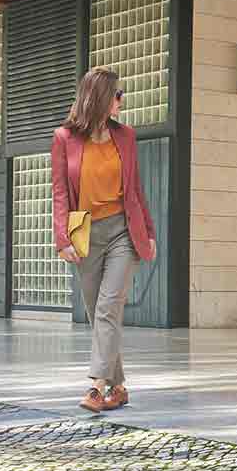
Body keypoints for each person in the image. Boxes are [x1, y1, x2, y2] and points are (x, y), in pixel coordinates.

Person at [51, 68, 156, 412]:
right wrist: (62, 237)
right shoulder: (64, 138)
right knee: (99, 313)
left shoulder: (125, 136)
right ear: (101, 98)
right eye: (118, 95)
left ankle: (96, 386)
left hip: (122, 232)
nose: (121, 101)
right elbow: (60, 193)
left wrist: (149, 234)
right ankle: (120, 387)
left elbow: (137, 190)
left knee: (109, 308)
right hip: (85, 233)